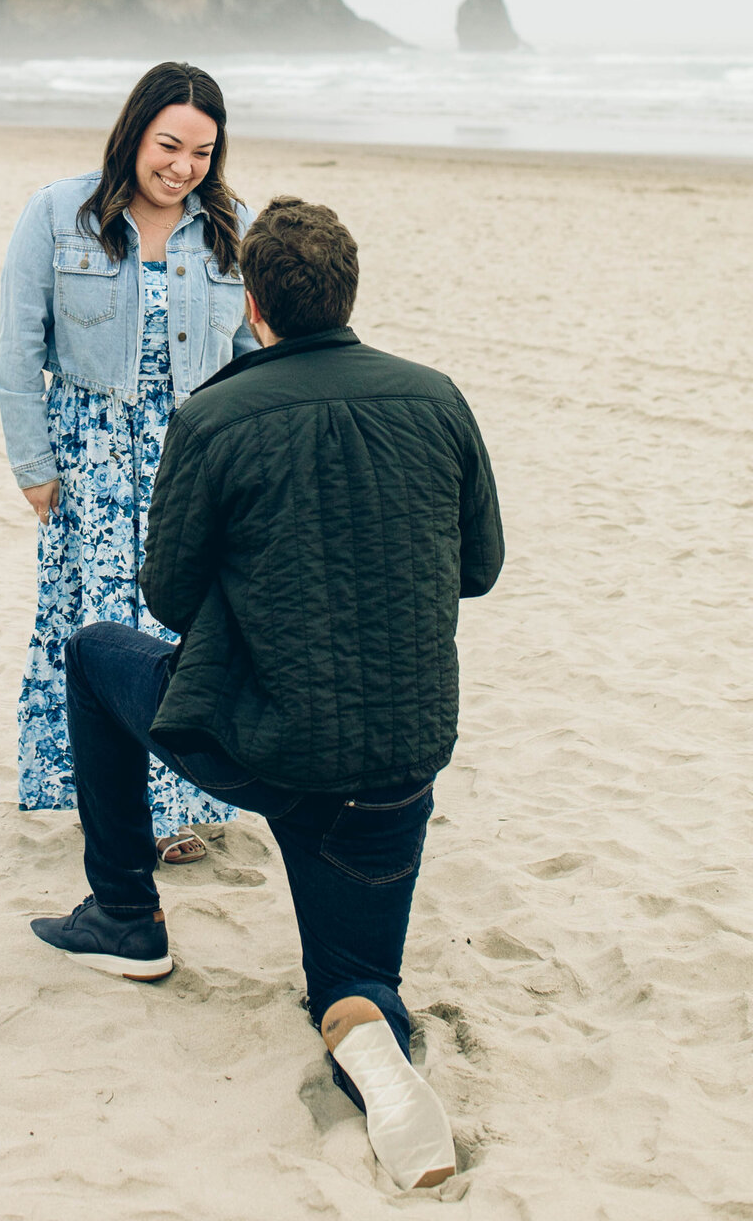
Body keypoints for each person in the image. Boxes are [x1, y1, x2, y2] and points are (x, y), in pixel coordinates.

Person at [29, 196, 504, 1192]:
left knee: (93, 653)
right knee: (352, 981)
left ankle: (124, 916)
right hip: (398, 763)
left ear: (253, 304)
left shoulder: (215, 415)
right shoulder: (438, 396)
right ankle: (369, 1036)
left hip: (261, 743)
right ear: (349, 292)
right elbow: (480, 567)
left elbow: (165, 592)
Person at [0, 62, 260, 864]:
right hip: (92, 462)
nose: (183, 167)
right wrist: (34, 466)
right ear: (135, 133)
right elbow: (19, 350)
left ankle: (175, 805)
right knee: (103, 631)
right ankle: (113, 806)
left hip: (196, 462)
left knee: (189, 630)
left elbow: (254, 355)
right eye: (169, 145)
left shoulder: (229, 224)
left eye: (203, 153)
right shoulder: (58, 213)